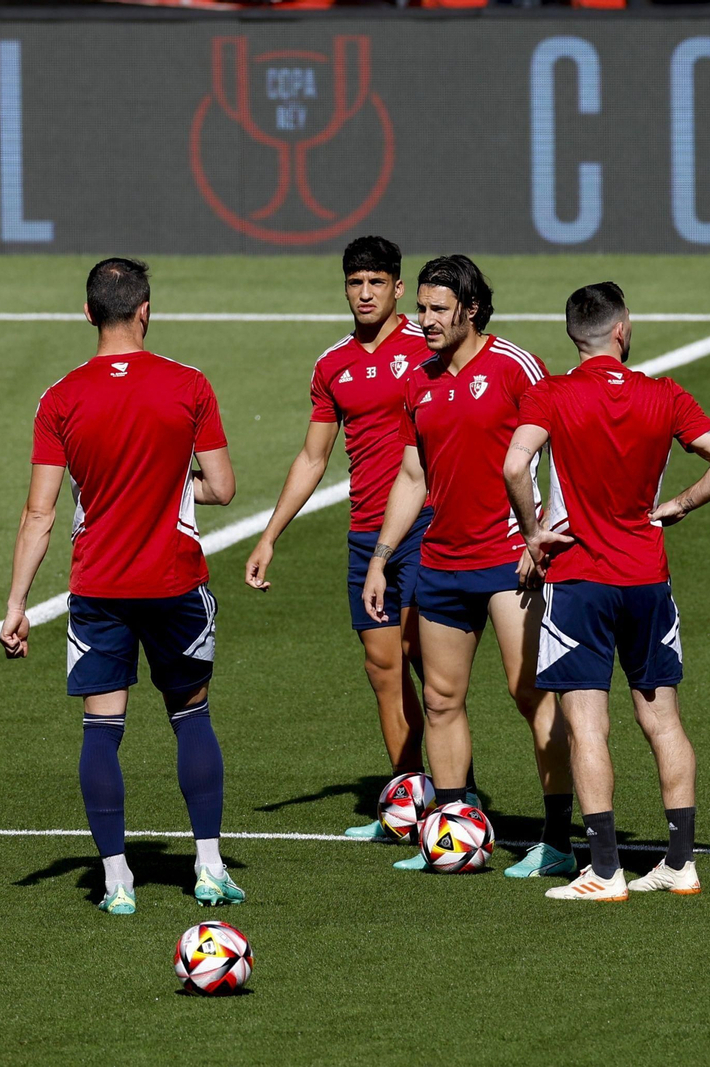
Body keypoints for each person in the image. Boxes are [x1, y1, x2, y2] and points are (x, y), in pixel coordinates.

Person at [0, 257, 245, 915]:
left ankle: (115, 879)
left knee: (101, 727)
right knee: (190, 714)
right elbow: (221, 487)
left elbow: (40, 513)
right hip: (174, 580)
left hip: (99, 585)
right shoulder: (189, 384)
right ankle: (210, 867)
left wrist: (18, 603)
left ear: (87, 313)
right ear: (146, 310)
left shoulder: (60, 397)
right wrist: (174, 485)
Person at [503, 281, 710, 902]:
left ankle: (606, 870)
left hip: (579, 580)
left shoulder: (551, 393)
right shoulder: (663, 394)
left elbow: (513, 465)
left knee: (587, 723)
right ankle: (680, 863)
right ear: (622, 328)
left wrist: (534, 535)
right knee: (662, 720)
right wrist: (679, 506)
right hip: (647, 577)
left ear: (572, 335)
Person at [364, 255, 576, 877]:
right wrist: (381, 558)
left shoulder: (515, 366)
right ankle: (452, 832)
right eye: (421, 308)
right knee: (440, 700)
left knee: (531, 694)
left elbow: (561, 446)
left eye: (436, 310)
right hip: (441, 562)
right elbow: (412, 474)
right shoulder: (418, 380)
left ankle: (559, 842)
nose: (422, 320)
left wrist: (547, 530)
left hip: (511, 561)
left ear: (471, 309)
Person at [245, 235, 463, 839]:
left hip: (428, 525)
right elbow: (313, 459)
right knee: (382, 667)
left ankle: (455, 804)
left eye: (376, 282)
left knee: (428, 661)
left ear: (398, 287)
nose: (364, 293)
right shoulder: (331, 365)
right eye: (353, 283)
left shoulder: (430, 346)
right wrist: (270, 537)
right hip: (366, 534)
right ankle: (409, 797)